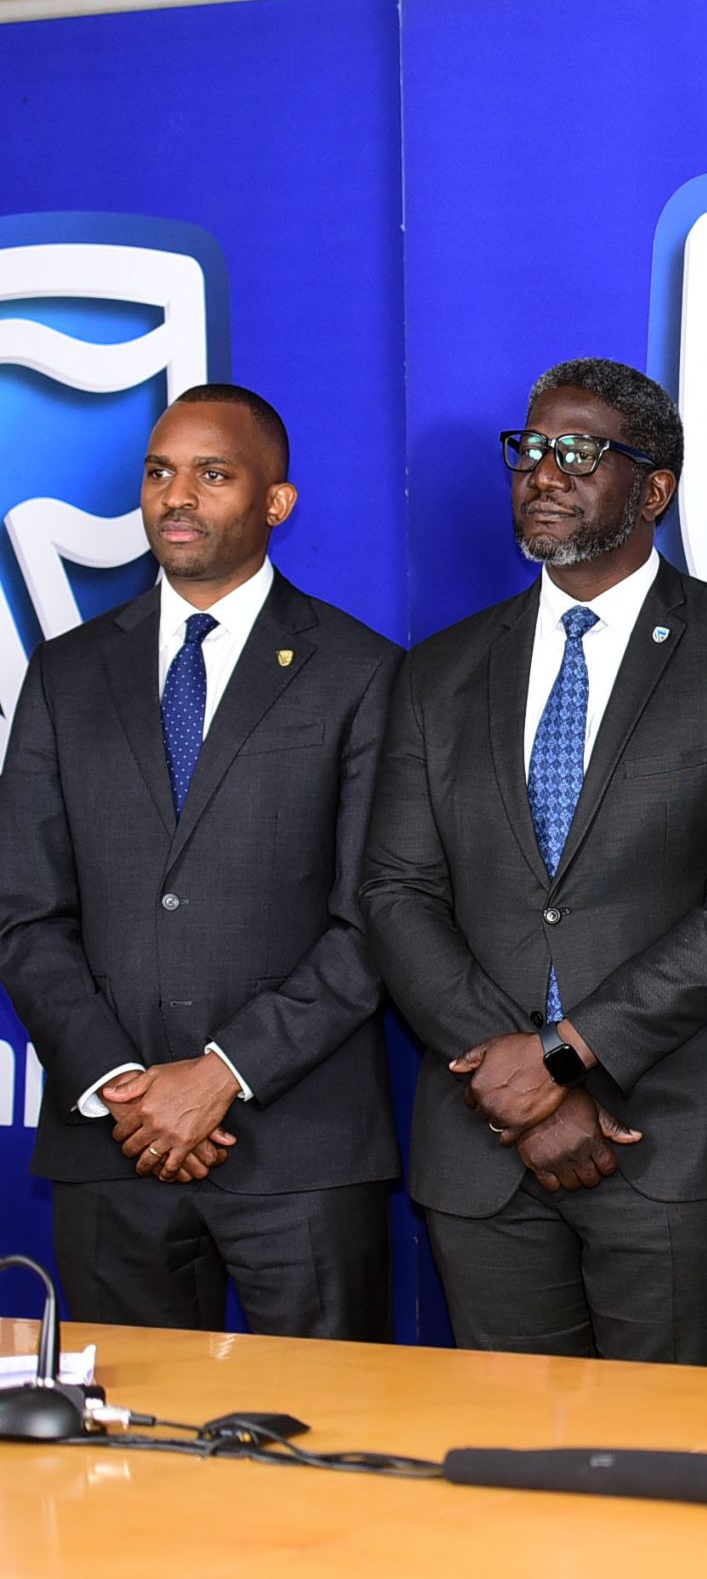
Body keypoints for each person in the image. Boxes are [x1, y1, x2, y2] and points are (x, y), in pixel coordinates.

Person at [360, 358, 707, 1366]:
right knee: (513, 1485)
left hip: (674, 1146)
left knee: (672, 1485)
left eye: (578, 451)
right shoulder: (439, 670)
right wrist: (510, 1078)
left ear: (653, 487)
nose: (543, 472)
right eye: (529, 449)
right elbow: (398, 891)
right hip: (483, 1146)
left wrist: (567, 1056)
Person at [0, 384, 402, 1338]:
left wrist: (221, 1071)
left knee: (323, 1454)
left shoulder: (364, 673)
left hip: (299, 1149)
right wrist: (122, 1084)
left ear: (276, 502)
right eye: (159, 472)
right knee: (125, 1472)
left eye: (212, 474)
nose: (176, 496)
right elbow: (24, 910)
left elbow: (377, 917)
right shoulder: (64, 674)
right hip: (113, 1146)